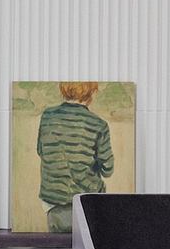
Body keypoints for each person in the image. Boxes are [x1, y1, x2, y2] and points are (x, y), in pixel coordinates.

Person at [37, 82, 114, 234]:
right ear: (91, 92)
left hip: (53, 201)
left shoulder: (47, 117)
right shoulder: (98, 124)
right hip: (88, 203)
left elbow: (41, 151)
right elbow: (108, 169)